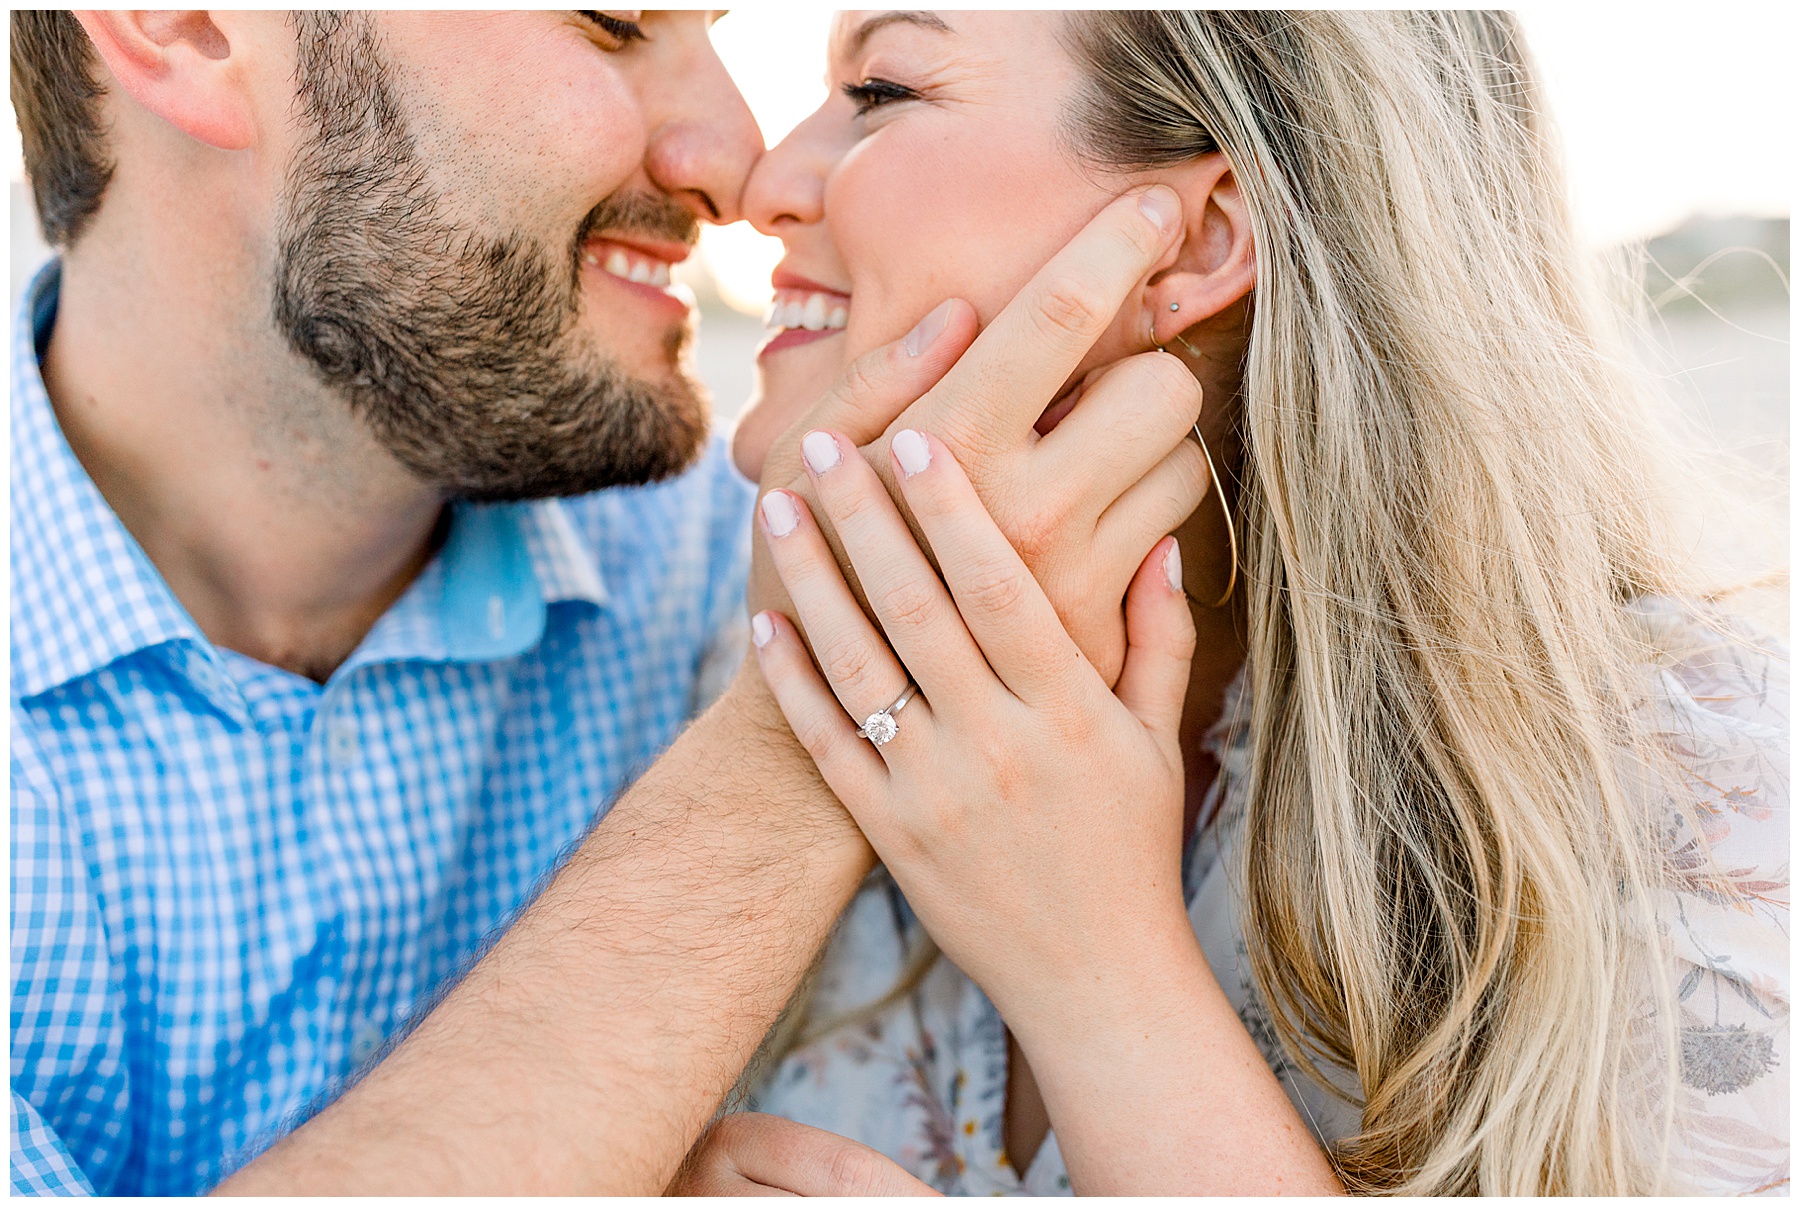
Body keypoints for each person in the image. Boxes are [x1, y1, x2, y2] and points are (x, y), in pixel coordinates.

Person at [10, 10, 1208, 1195]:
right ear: (192, 27)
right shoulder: (798, 588)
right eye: (616, 23)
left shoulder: (721, 562)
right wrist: (817, 712)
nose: (736, 159)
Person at [693, 10, 1789, 1195]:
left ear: (1199, 240)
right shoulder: (740, 657)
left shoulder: (1689, 793)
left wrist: (1093, 967)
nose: (763, 181)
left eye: (881, 87)